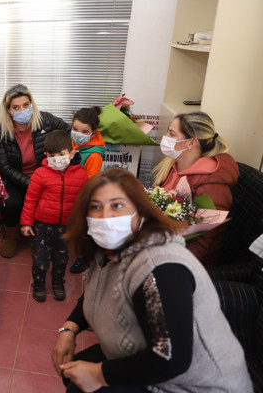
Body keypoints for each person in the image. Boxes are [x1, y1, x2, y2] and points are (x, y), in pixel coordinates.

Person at [51, 168, 252, 393]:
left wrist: (99, 374)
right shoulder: (108, 251)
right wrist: (69, 328)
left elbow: (171, 358)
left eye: (117, 205)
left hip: (191, 385)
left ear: (142, 214)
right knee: (73, 373)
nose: (105, 216)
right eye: (95, 207)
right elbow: (98, 289)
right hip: (143, 358)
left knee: (81, 386)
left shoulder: (159, 267)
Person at [0, 84, 70, 258]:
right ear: (8, 110)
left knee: (55, 200)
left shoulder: (45, 120)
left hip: (46, 175)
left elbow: (69, 132)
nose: (22, 110)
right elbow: (4, 167)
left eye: (26, 105)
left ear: (31, 104)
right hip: (16, 179)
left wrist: (65, 157)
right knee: (10, 202)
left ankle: (45, 236)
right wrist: (33, 183)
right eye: (16, 107)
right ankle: (11, 235)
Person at [152, 111, 238, 267]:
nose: (166, 137)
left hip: (188, 264)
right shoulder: (174, 166)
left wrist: (156, 259)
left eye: (172, 134)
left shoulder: (213, 186)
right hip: (162, 244)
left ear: (191, 143)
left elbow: (201, 245)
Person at [20, 130, 88, 302]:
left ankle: (58, 283)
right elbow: (30, 200)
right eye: (52, 155)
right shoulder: (40, 174)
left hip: (66, 227)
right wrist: (26, 223)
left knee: (61, 259)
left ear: (71, 154)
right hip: (41, 226)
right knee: (40, 258)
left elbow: (84, 202)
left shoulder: (81, 176)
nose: (57, 159)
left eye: (61, 154)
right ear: (46, 155)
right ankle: (39, 284)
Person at [69, 106, 107, 274]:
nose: (78, 134)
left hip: (83, 197)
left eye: (84, 131)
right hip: (71, 192)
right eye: (75, 129)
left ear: (93, 133)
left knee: (84, 230)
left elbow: (90, 183)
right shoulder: (74, 142)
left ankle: (84, 257)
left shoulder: (94, 155)